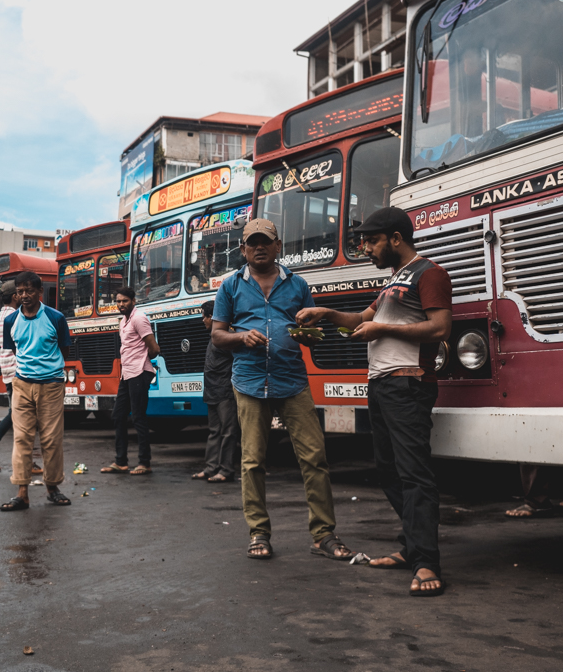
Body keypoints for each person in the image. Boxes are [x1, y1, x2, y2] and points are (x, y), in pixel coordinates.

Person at [297, 206, 451, 598]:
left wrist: (382, 328)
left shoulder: (428, 273)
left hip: (408, 383)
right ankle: (412, 548)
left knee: (414, 473)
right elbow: (358, 320)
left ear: (396, 238)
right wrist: (327, 313)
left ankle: (426, 562)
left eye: (372, 240)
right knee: (388, 470)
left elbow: (440, 327)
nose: (366, 248)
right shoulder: (392, 282)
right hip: (381, 385)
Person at [211, 218, 353, 563]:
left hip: (292, 380)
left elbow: (307, 327)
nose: (259, 247)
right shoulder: (230, 287)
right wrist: (241, 337)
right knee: (252, 461)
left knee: (314, 459)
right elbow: (217, 334)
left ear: (278, 246)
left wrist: (306, 333)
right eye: (252, 242)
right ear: (243, 250)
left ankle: (323, 534)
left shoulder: (298, 285)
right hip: (248, 381)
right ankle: (258, 532)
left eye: (266, 242)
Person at [0, 271, 73, 511]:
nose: (24, 296)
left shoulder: (55, 318)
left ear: (40, 292)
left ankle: (52, 487)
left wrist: (50, 371)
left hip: (51, 386)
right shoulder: (11, 321)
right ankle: (22, 493)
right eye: (19, 292)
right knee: (22, 439)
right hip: (22, 384)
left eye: (29, 291)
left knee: (51, 440)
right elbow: (15, 351)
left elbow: (65, 351)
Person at [0, 281, 41, 473]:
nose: (24, 296)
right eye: (20, 293)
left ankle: (21, 459)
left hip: (7, 369)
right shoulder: (16, 316)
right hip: (19, 369)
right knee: (21, 416)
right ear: (14, 296)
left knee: (20, 416)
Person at [100, 286, 159, 476]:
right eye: (118, 301)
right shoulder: (123, 321)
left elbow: (154, 348)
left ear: (133, 301)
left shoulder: (139, 318)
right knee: (118, 416)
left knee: (139, 417)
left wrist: (143, 361)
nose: (120, 304)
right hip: (127, 374)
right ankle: (121, 462)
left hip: (139, 372)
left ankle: (144, 462)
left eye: (124, 301)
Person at [193, 300, 238, 483]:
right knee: (214, 431)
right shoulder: (214, 337)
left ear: (212, 317)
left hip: (225, 392)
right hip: (212, 391)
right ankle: (211, 468)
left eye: (204, 316)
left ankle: (226, 470)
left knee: (228, 432)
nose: (203, 320)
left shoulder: (227, 336)